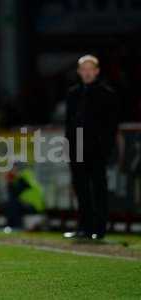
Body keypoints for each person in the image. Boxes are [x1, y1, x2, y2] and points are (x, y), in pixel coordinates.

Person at [64, 55, 119, 240]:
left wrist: (106, 148)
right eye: (83, 69)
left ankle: (100, 228)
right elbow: (69, 123)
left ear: (97, 71)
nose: (87, 73)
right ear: (79, 72)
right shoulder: (73, 94)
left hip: (97, 149)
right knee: (81, 189)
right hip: (77, 149)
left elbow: (111, 125)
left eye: (90, 69)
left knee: (98, 188)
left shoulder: (106, 93)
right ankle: (84, 227)